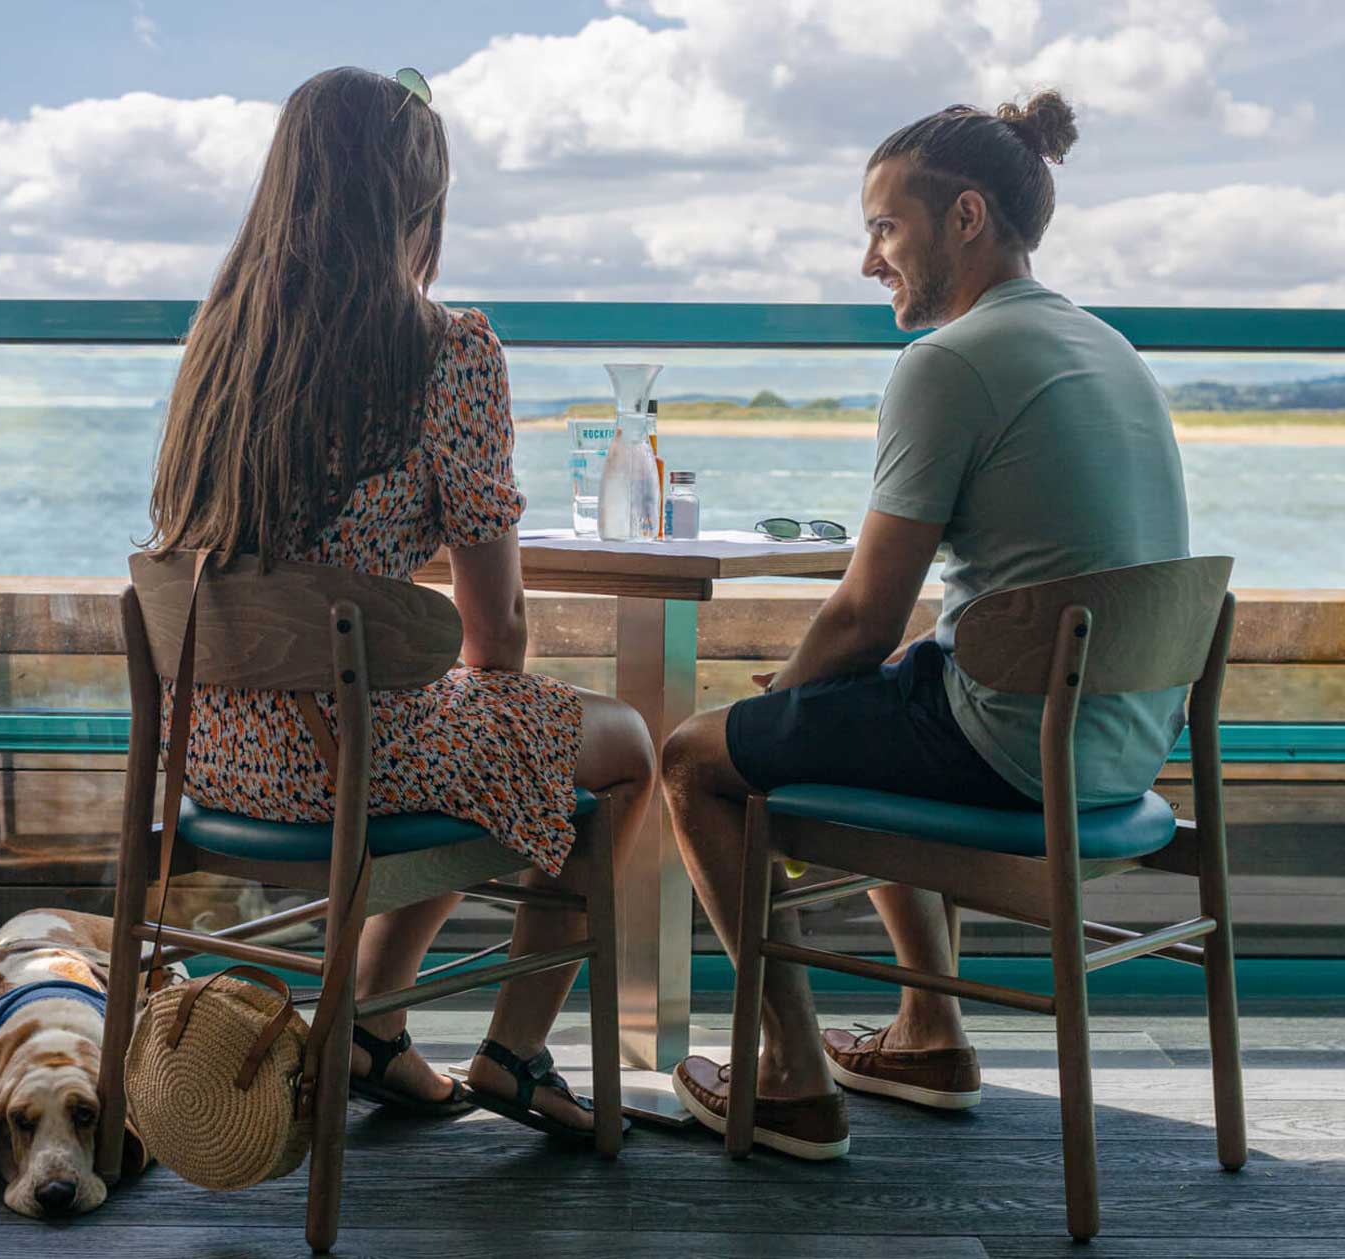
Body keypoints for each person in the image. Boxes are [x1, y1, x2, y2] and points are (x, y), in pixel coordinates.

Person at [664, 90, 1191, 1158]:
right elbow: (894, 644)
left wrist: (773, 706)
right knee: (905, 677)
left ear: (964, 219)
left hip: (1016, 747)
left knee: (691, 760)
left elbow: (862, 613)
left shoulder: (946, 364)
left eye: (883, 228)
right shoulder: (1107, 346)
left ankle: (794, 1078)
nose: (869, 261)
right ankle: (929, 1032)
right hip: (1124, 743)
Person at [145, 67, 655, 1140]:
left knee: (466, 722)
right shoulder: (448, 350)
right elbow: (500, 629)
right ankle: (513, 1050)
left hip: (211, 753)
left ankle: (374, 1025)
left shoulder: (218, 347)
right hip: (348, 752)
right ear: (416, 204)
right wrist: (497, 724)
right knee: (623, 746)